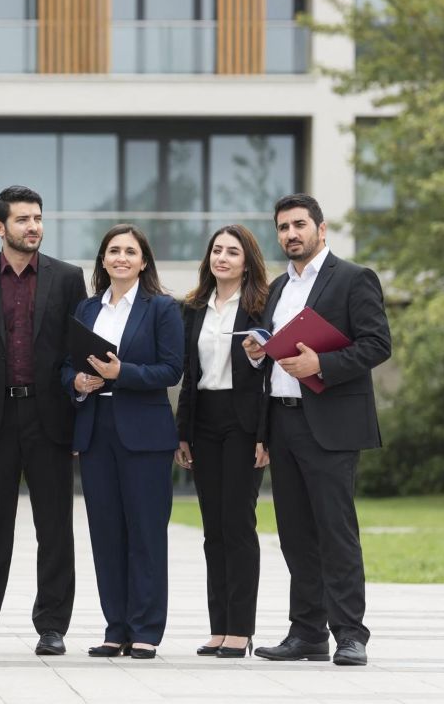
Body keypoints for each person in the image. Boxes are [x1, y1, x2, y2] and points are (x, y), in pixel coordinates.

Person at [247, 194, 390, 668]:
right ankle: (307, 632)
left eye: (300, 225)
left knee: (335, 532)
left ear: (321, 229)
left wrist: (321, 363)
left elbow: (376, 344)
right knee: (294, 534)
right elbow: (276, 358)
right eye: (284, 227)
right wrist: (259, 353)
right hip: (283, 421)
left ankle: (351, 634)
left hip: (330, 425)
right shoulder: (274, 289)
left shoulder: (353, 279)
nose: (291, 234)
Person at [0, 186, 85, 657]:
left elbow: (77, 352)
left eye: (38, 218)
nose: (34, 227)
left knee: (55, 527)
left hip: (51, 418)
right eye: (24, 219)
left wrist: (78, 421)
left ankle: (52, 626)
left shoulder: (69, 279)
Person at [62, 223, 183, 660]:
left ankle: (147, 629)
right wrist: (76, 380)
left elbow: (172, 370)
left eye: (130, 251)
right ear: (103, 260)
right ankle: (116, 628)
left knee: (146, 533)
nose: (121, 258)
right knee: (106, 533)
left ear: (143, 261)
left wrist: (121, 374)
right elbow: (65, 365)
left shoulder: (162, 309)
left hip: (144, 434)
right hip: (96, 430)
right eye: (113, 251)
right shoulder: (87, 309)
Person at [174, 224, 271, 658]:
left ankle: (241, 629)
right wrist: (183, 433)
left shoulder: (261, 307)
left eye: (232, 252)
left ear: (247, 261)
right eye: (217, 250)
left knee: (237, 522)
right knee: (213, 528)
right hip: (205, 420)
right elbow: (189, 379)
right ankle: (219, 628)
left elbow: (273, 375)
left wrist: (265, 434)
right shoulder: (193, 308)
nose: (223, 258)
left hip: (244, 421)